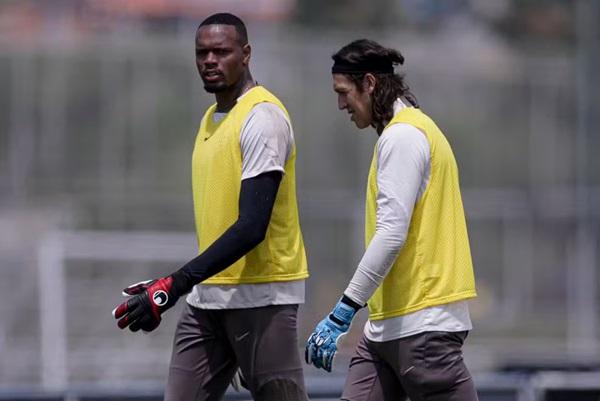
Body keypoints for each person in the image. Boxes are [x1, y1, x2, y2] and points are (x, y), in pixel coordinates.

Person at [112, 13, 309, 401]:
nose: (210, 60)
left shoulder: (262, 118)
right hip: (208, 300)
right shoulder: (211, 118)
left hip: (261, 299)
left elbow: (252, 227)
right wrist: (173, 286)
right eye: (202, 52)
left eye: (221, 51)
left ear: (246, 54)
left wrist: (173, 285)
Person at [305, 39, 478, 401]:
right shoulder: (404, 132)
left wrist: (343, 311)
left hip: (423, 326)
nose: (340, 105)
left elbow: (391, 234)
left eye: (343, 92)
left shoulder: (402, 137)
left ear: (369, 84)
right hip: (385, 329)